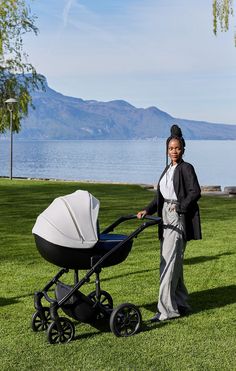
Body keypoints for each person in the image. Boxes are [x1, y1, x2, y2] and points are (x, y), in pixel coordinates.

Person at [137, 124, 202, 322]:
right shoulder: (168, 169)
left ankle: (166, 311)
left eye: (177, 148)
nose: (174, 151)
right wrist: (147, 210)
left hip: (176, 216)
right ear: (167, 149)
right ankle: (180, 303)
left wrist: (180, 207)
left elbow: (195, 192)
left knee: (168, 263)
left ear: (183, 149)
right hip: (164, 215)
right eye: (171, 148)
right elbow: (161, 196)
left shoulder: (186, 168)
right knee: (175, 262)